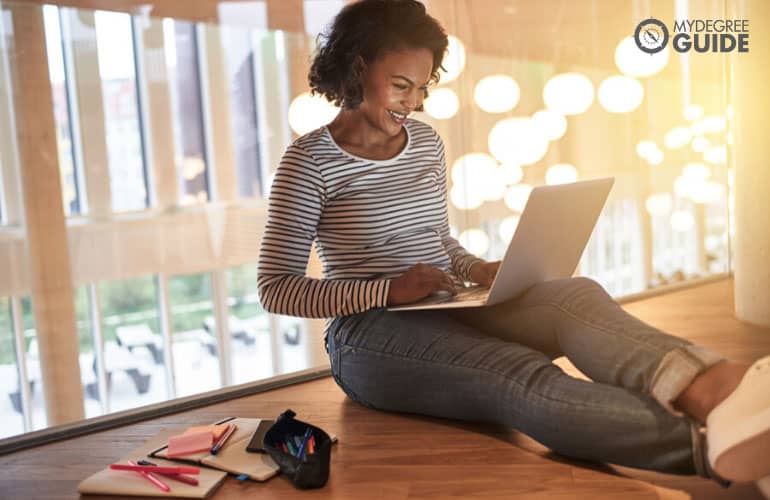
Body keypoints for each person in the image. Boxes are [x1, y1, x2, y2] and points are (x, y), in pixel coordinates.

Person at [257, 0, 770, 492]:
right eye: (400, 86)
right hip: (366, 339)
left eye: (421, 87)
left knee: (575, 294)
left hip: (445, 307)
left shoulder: (426, 143)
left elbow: (439, 242)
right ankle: (711, 446)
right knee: (516, 375)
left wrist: (476, 268)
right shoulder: (309, 163)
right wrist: (389, 291)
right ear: (357, 67)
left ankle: (720, 389)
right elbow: (276, 289)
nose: (412, 102)